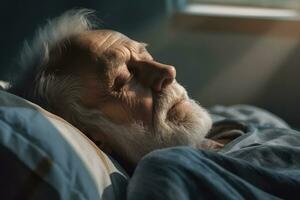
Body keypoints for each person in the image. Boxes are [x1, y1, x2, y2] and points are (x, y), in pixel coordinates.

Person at [8, 9, 217, 173]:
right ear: (93, 137)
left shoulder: (232, 126)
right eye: (125, 79)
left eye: (147, 57)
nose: (168, 71)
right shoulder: (171, 179)